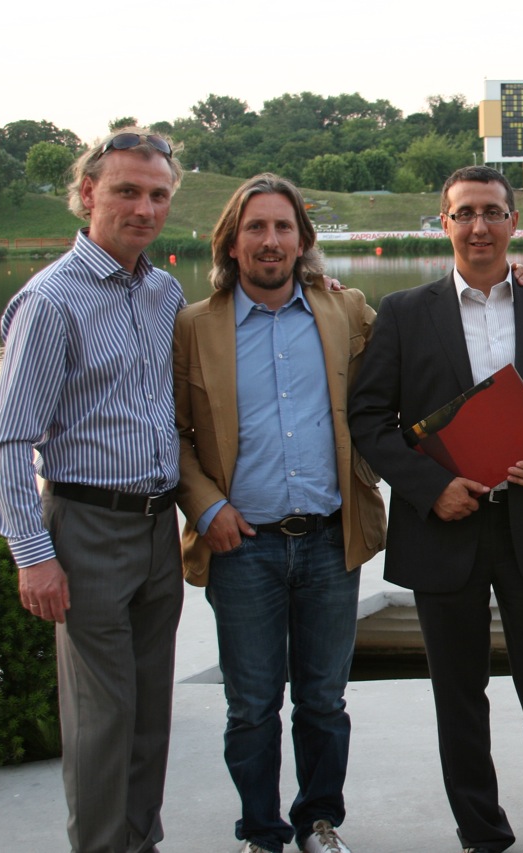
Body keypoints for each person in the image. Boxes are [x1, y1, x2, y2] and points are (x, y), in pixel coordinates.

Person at [348, 166, 523, 853]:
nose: (479, 226)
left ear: (514, 222)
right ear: (443, 222)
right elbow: (370, 418)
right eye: (464, 212)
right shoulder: (404, 312)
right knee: (459, 697)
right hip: (446, 526)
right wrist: (428, 486)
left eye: (493, 211)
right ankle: (482, 836)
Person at [0, 128, 186, 852]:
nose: (144, 208)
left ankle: (140, 841)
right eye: (127, 191)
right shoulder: (51, 300)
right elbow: (9, 443)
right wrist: (33, 555)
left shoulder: (163, 292)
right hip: (88, 526)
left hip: (157, 527)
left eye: (158, 194)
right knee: (102, 718)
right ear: (89, 193)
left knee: (150, 713)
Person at [172, 174, 387, 853]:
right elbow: (172, 433)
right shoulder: (193, 326)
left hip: (329, 540)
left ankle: (318, 822)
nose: (270, 241)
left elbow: (416, 358)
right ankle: (261, 833)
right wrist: (206, 506)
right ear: (232, 243)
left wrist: (515, 282)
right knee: (251, 705)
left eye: (283, 227)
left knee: (323, 700)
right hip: (241, 546)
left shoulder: (346, 309)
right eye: (256, 228)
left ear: (302, 241)